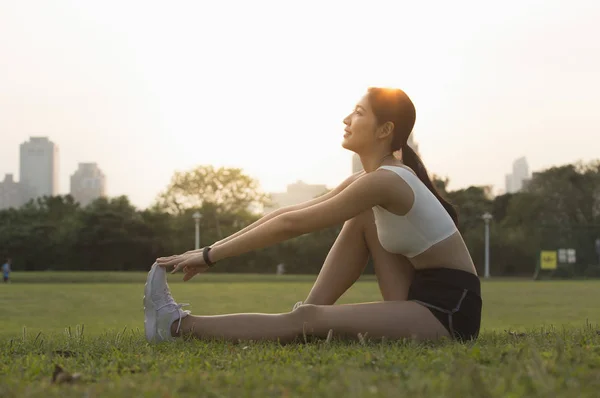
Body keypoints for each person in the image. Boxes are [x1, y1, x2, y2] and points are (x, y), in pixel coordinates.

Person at [147, 87, 482, 344]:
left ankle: (176, 325)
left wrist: (210, 255)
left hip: (449, 312)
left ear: (384, 130)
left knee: (308, 318)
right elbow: (290, 212)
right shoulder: (374, 179)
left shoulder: (386, 181)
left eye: (359, 113)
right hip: (417, 292)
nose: (346, 120)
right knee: (362, 219)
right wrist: (210, 249)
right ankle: (302, 321)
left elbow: (293, 226)